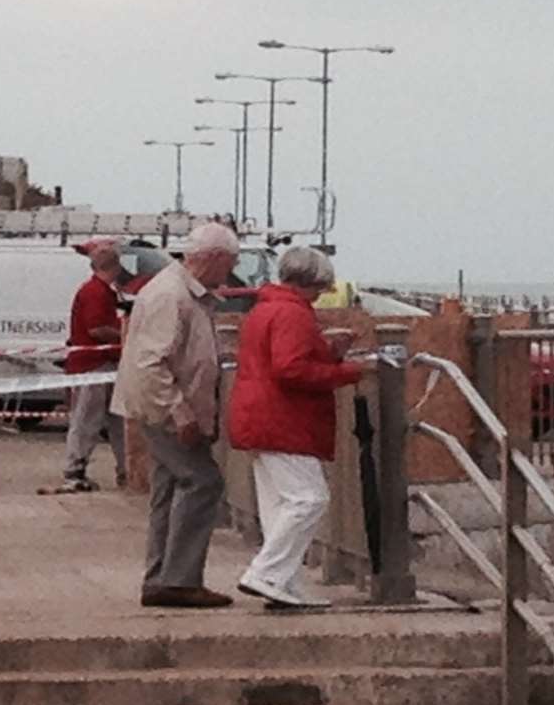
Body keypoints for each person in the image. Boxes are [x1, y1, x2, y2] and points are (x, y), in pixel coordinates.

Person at [111, 223, 241, 609]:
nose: (230, 271)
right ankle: (179, 580)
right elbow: (153, 362)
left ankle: (161, 578)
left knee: (169, 490)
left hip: (163, 405)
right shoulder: (173, 296)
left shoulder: (182, 292)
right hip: (165, 408)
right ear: (214, 258)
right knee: (202, 482)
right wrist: (180, 413)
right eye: (230, 262)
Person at [227, 246, 365, 609]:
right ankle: (266, 574)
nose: (321, 294)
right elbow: (290, 369)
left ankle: (283, 584)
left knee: (278, 506)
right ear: (310, 283)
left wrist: (330, 351)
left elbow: (283, 360)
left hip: (257, 415)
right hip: (283, 419)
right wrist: (348, 371)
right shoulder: (293, 314)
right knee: (309, 499)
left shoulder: (265, 308)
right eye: (320, 287)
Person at [53, 238, 127, 493]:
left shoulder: (100, 291)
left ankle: (125, 469)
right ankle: (75, 470)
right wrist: (127, 335)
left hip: (100, 363)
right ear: (116, 266)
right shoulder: (96, 292)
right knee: (87, 420)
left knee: (116, 420)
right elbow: (96, 329)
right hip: (93, 366)